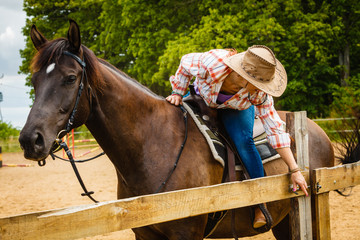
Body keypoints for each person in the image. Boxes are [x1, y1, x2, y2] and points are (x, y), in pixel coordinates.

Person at [166, 45, 308, 229]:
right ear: (243, 76)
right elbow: (185, 63)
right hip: (202, 99)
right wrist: (178, 91)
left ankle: (260, 202)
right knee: (171, 122)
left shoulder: (259, 94)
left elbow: (274, 129)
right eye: (259, 84)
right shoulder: (213, 63)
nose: (262, 89)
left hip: (236, 109)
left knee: (243, 141)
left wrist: (294, 169)